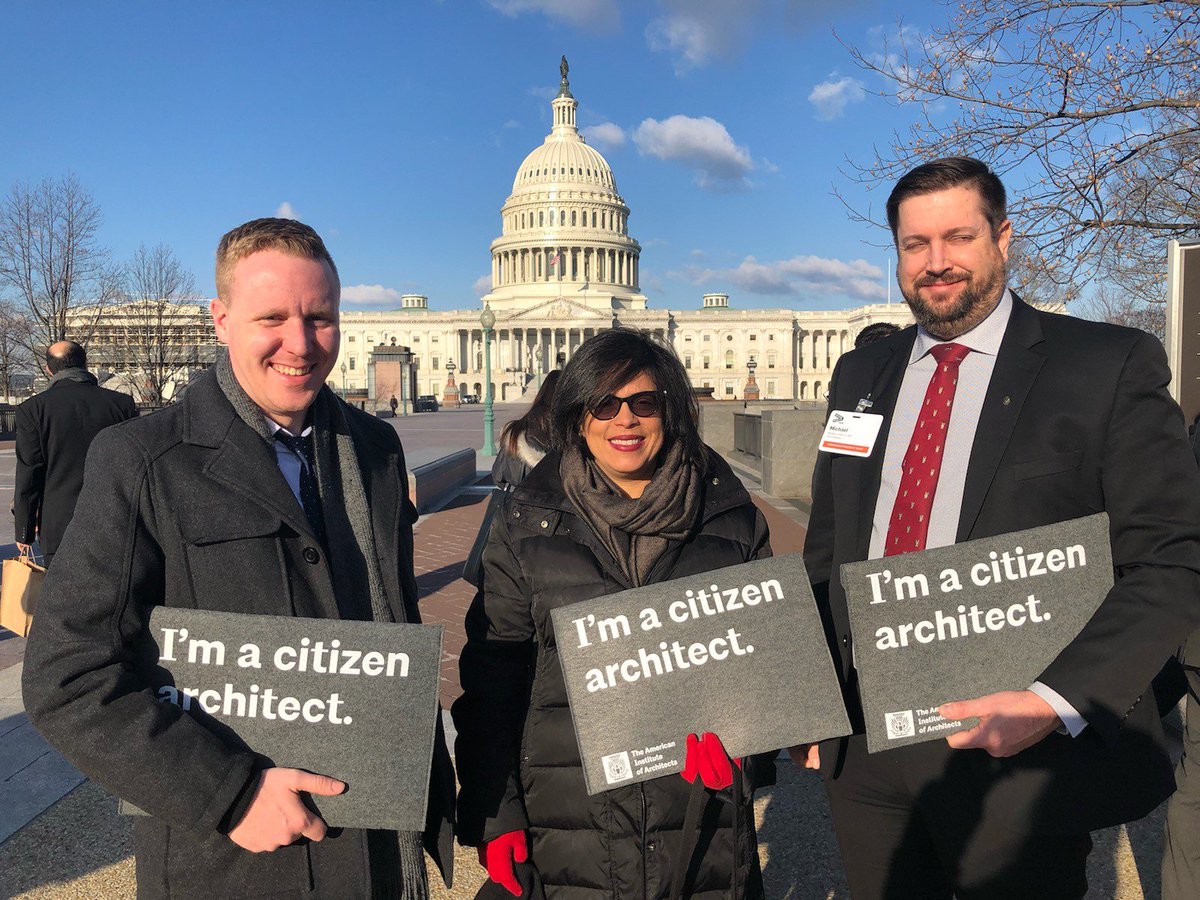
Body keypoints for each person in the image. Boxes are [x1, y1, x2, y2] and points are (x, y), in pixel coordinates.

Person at [801, 157, 1200, 898]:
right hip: (870, 744)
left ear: (1003, 237)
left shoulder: (1104, 365)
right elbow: (830, 543)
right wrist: (809, 694)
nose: (937, 262)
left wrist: (1054, 701)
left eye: (958, 236)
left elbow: (1172, 559)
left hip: (1017, 735)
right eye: (916, 244)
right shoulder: (863, 375)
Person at [22, 218, 454, 899]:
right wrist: (228, 793)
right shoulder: (142, 461)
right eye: (273, 317)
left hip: (376, 849)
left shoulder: (375, 449)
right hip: (239, 860)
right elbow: (66, 674)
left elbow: (392, 629)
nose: (301, 343)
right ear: (221, 320)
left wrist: (435, 798)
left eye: (320, 317)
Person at [452, 328, 775, 898]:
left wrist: (750, 744)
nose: (623, 421)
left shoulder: (733, 519)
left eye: (643, 403)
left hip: (699, 815)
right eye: (603, 403)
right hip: (573, 820)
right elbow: (492, 680)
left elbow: (766, 664)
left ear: (669, 412)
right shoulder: (525, 523)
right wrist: (494, 812)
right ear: (577, 415)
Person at [13, 340, 137, 565]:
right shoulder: (122, 405)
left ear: (49, 369)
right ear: (85, 364)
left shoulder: (33, 410)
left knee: (61, 596)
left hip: (59, 524)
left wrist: (25, 530)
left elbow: (29, 474)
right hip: (115, 519)